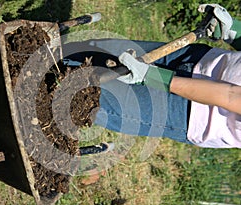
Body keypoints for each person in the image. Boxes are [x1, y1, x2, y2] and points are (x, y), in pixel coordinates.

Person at [63, 4, 241, 148]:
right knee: (91, 51)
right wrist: (233, 30)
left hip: (187, 110)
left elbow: (231, 95)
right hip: (198, 59)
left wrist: (151, 76)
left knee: (82, 99)